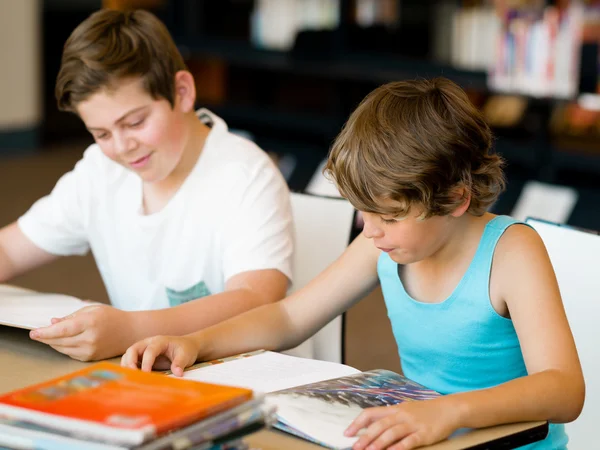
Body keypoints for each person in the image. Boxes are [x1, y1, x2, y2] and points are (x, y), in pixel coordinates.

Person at [121, 78, 584, 450]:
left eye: (390, 215)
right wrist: (196, 342)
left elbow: (564, 389)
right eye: (364, 211)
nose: (371, 229)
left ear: (456, 198)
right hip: (421, 436)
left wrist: (450, 410)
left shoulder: (511, 252)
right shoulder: (382, 243)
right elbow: (289, 317)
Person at [0, 9, 293, 362]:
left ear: (182, 91)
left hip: (241, 375)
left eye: (135, 122)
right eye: (102, 133)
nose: (123, 147)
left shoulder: (245, 175)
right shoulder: (100, 171)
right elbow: (11, 250)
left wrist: (131, 330)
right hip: (146, 373)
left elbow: (257, 301)